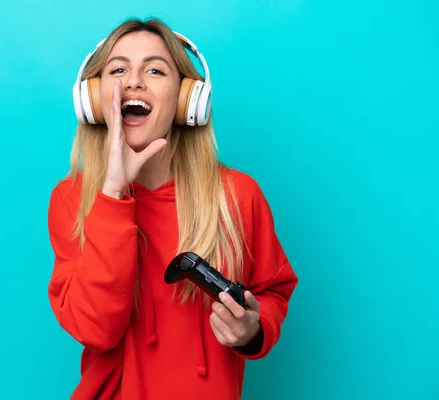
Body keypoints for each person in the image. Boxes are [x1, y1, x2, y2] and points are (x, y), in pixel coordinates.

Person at [47, 17, 298, 400]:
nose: (133, 81)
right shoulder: (71, 200)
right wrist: (112, 193)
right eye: (118, 70)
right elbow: (96, 329)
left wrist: (252, 329)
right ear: (93, 99)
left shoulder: (237, 196)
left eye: (154, 69)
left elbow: (272, 293)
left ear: (186, 101)